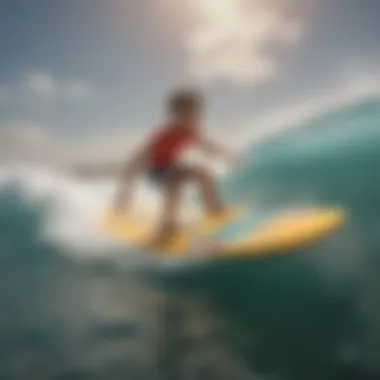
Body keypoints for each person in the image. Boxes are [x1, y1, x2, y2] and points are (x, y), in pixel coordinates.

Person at [113, 87, 235, 241]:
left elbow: (206, 144)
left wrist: (225, 154)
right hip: (156, 172)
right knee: (174, 178)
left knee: (203, 173)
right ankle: (167, 224)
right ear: (174, 114)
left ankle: (214, 210)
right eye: (189, 114)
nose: (193, 118)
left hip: (174, 168)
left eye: (196, 114)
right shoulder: (164, 134)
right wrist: (125, 193)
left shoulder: (190, 130)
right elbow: (140, 155)